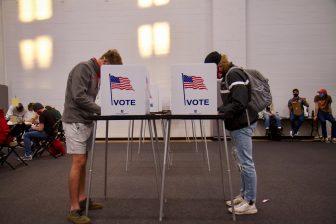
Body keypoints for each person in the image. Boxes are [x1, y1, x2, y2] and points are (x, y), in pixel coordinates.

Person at [62, 49, 122, 224]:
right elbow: (78, 96)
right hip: (74, 121)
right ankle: (74, 209)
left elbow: (89, 99)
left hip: (86, 121)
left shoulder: (96, 73)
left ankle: (82, 199)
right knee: (78, 162)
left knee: (83, 162)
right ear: (104, 61)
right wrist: (103, 110)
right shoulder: (83, 68)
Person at [205, 51, 258, 215]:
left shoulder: (233, 74)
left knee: (246, 163)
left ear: (218, 66)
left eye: (211, 69)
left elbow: (239, 103)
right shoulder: (228, 75)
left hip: (243, 124)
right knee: (241, 162)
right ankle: (244, 195)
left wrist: (218, 111)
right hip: (236, 125)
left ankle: (250, 202)